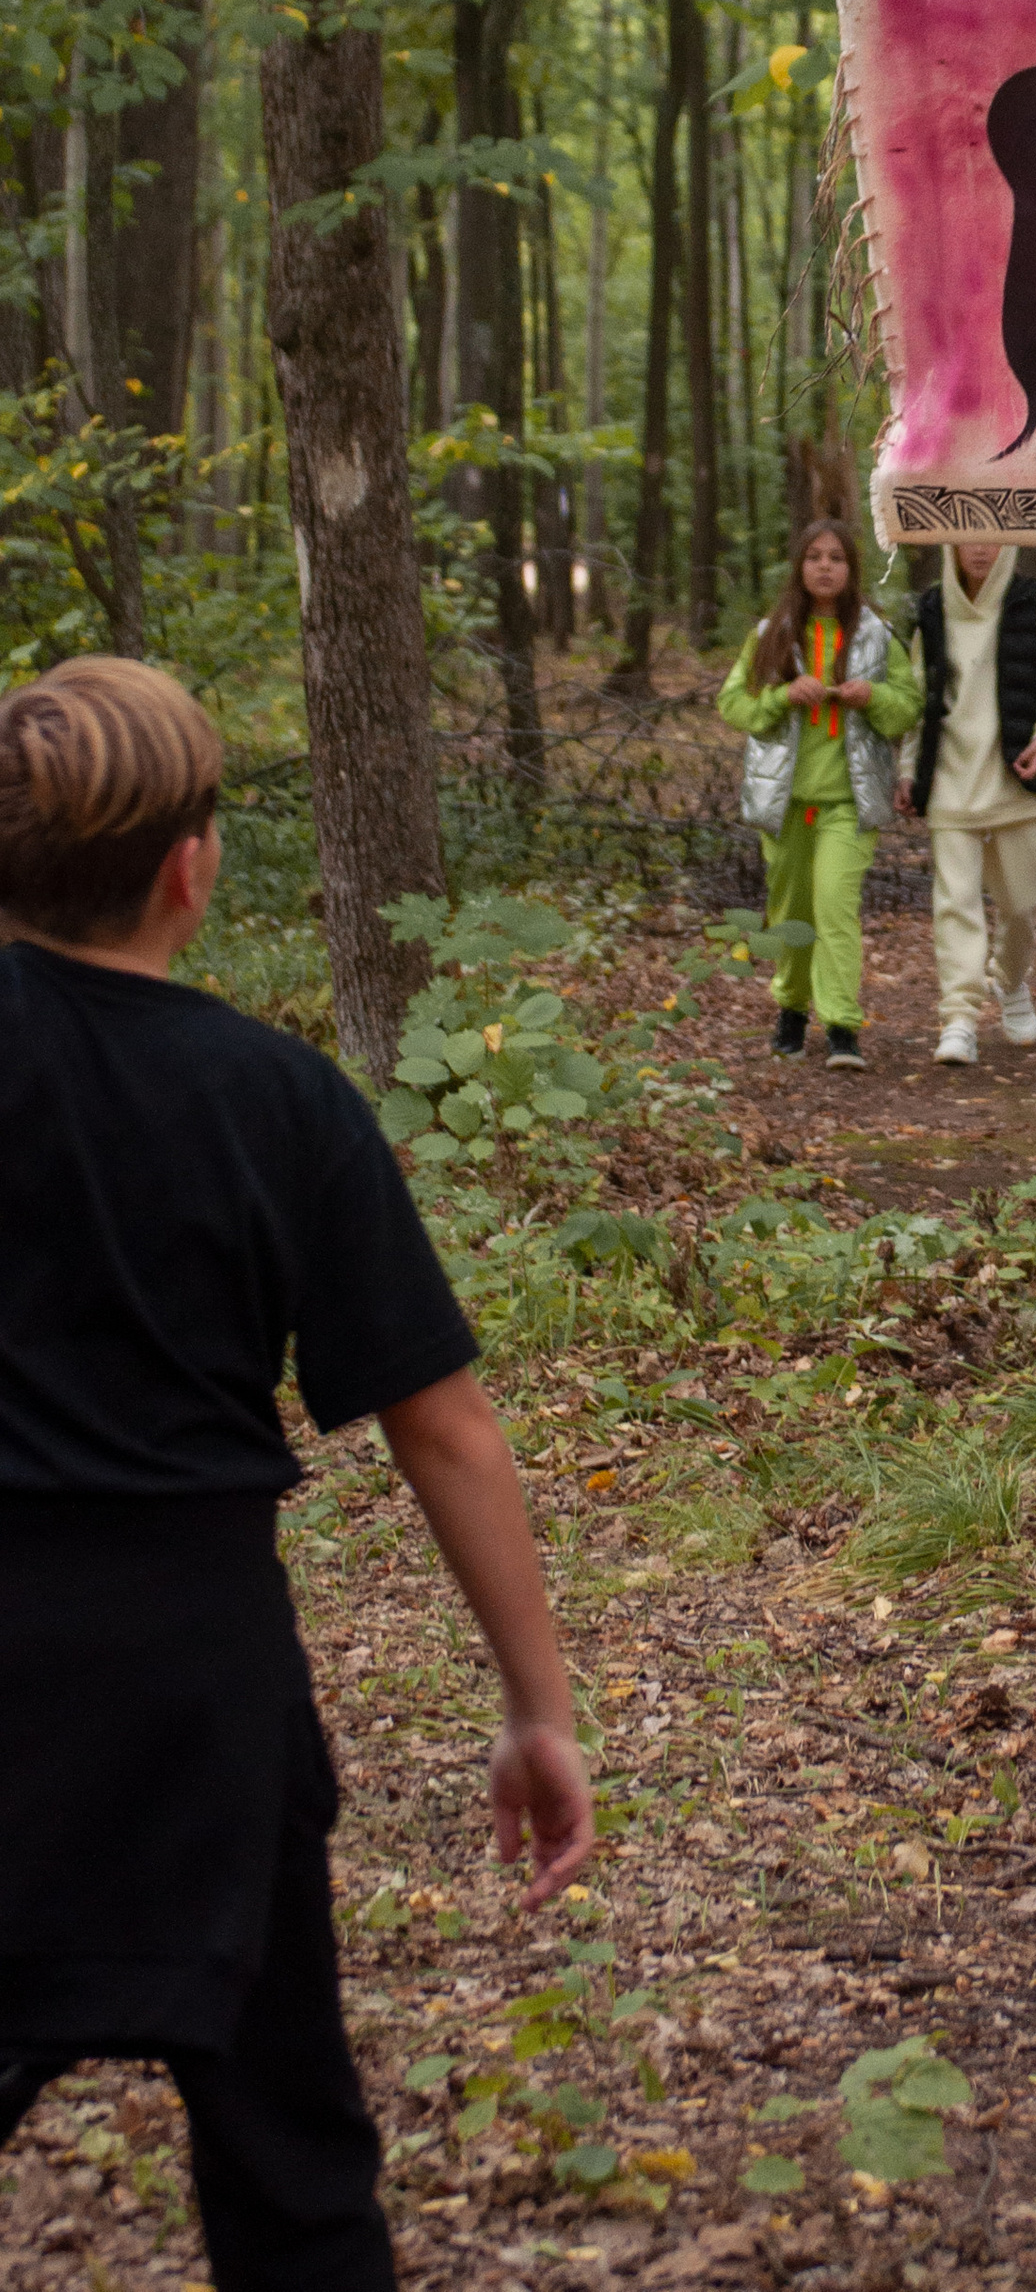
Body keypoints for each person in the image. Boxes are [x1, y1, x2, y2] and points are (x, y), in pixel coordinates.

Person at [0, 656, 594, 2289]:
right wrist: (536, 1703)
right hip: (197, 1695)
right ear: (197, 863)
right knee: (287, 2160)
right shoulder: (280, 1102)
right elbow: (444, 1423)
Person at [718, 513, 921, 1065]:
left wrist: (871, 698)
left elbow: (909, 705)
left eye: (836, 558)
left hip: (849, 803)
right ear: (799, 567)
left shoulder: (875, 635)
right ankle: (790, 1008)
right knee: (791, 912)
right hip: (784, 804)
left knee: (835, 906)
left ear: (852, 569)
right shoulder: (772, 636)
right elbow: (732, 703)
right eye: (815, 558)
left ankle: (841, 1027)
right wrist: (783, 697)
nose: (825, 567)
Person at [900, 537, 1036, 1069]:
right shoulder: (931, 608)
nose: (979, 549)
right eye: (968, 537)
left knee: (1021, 905)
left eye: (991, 536)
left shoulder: (1032, 602)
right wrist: (910, 769)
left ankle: (1011, 980)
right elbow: (917, 700)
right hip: (950, 780)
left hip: (1014, 781)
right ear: (951, 544)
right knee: (954, 903)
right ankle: (958, 1017)